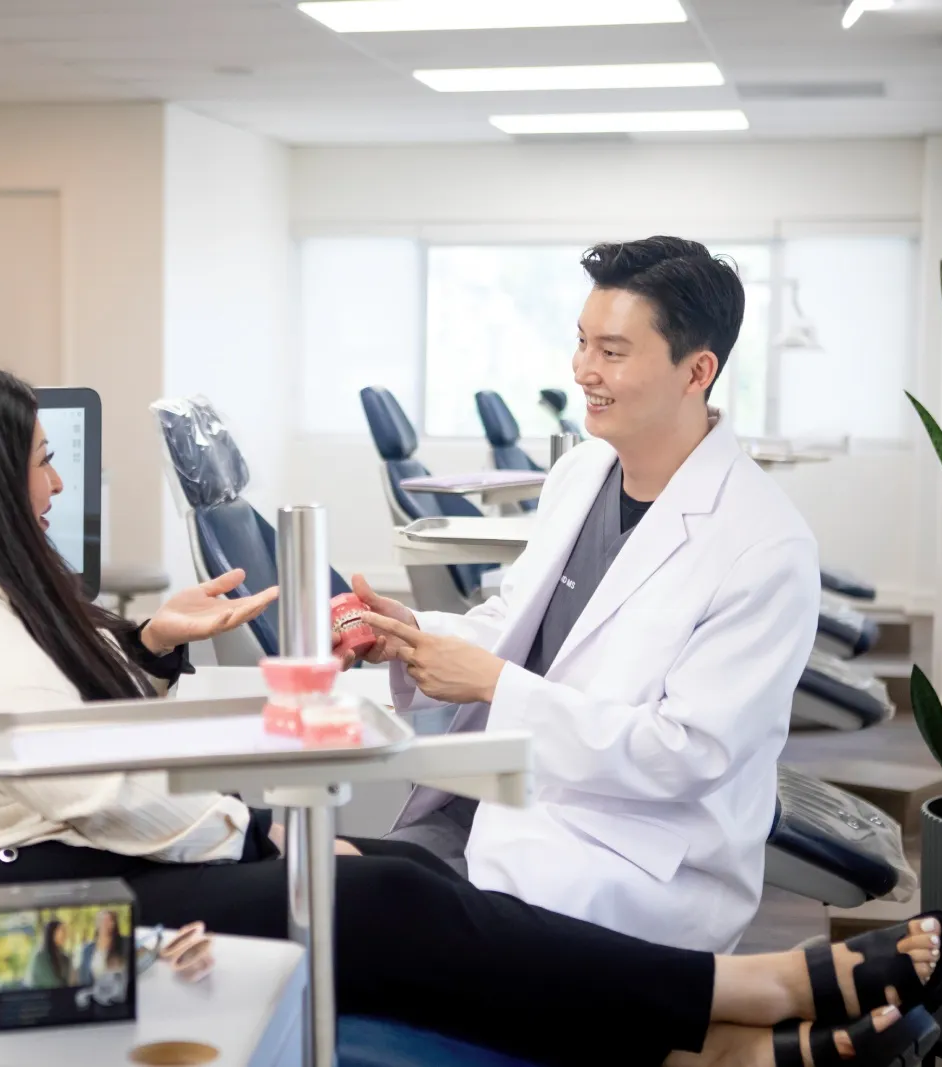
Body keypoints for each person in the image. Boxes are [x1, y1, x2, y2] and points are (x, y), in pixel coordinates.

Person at [0, 363, 942, 1067]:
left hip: (32, 891)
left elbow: (54, 745)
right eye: (41, 463)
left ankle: (712, 1045)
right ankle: (743, 996)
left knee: (405, 875)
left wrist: (146, 647)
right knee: (387, 885)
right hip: (12, 949)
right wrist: (262, 836)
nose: (54, 484)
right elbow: (88, 781)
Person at [350, 237, 820, 955]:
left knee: (359, 916)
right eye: (580, 343)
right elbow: (517, 623)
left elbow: (685, 754)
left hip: (629, 853)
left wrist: (498, 686)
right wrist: (413, 633)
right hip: (506, 801)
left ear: (698, 370)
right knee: (321, 878)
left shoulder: (765, 545)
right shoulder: (584, 472)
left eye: (613, 350)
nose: (583, 371)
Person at [77, 909, 130, 986]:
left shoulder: (125, 944)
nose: (105, 923)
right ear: (97, 924)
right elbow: (83, 977)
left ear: (114, 924)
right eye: (102, 920)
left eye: (108, 920)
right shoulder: (87, 950)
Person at [27, 919, 73, 990]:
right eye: (61, 931)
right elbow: (50, 983)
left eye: (65, 931)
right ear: (52, 933)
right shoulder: (41, 958)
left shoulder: (65, 958)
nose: (65, 934)